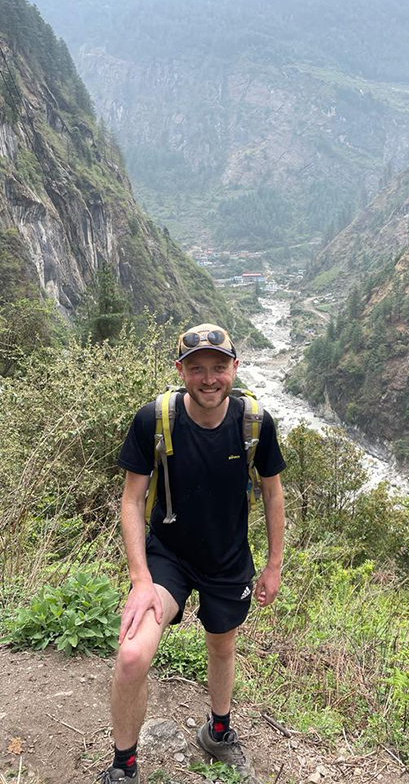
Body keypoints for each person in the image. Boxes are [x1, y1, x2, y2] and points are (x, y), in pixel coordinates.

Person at [99, 323, 286, 784]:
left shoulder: (255, 423)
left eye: (218, 368)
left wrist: (273, 564)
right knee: (131, 656)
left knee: (222, 645)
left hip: (227, 559)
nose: (209, 378)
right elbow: (130, 500)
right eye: (197, 368)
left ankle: (217, 732)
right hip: (168, 559)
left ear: (235, 368)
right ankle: (124, 766)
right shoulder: (154, 419)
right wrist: (141, 579)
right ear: (180, 370)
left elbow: (272, 492)